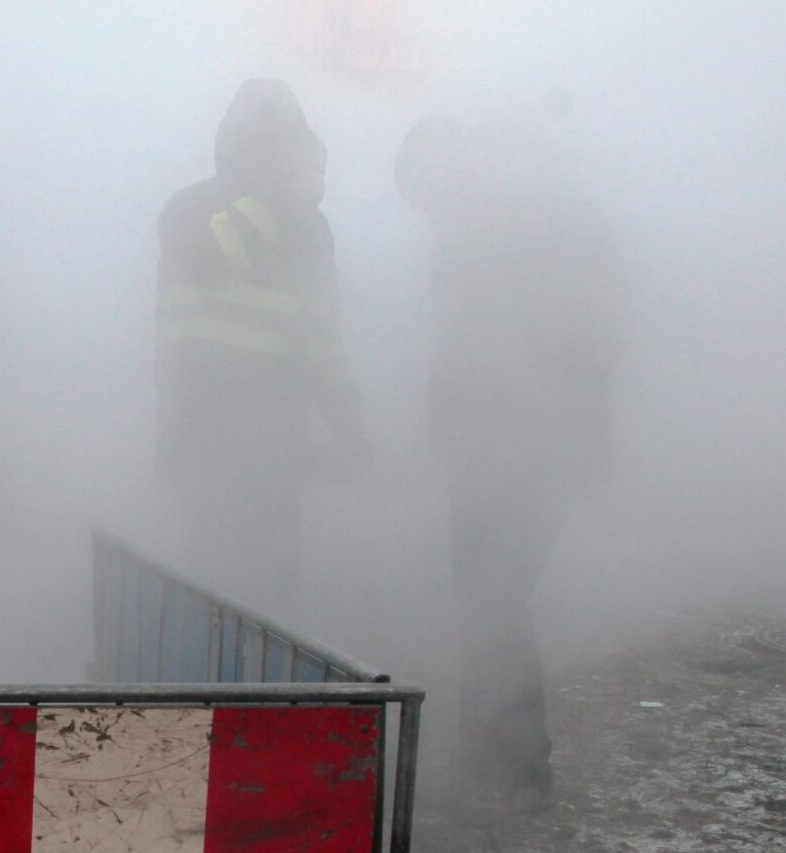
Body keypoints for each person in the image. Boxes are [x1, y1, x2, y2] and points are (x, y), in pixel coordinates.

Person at [395, 108, 628, 807]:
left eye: (432, 195)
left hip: (527, 447)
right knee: (487, 600)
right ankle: (492, 759)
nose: (431, 214)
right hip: (493, 446)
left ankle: (512, 772)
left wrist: (527, 411)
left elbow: (587, 332)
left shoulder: (540, 225)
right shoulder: (489, 229)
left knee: (493, 598)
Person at [155, 79, 366, 614]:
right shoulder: (263, 219)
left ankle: (230, 694)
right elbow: (319, 339)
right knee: (246, 597)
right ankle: (247, 695)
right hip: (237, 436)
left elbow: (320, 337)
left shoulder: (190, 209)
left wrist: (348, 428)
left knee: (232, 592)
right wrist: (283, 200)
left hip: (231, 434)